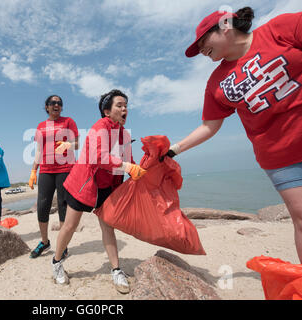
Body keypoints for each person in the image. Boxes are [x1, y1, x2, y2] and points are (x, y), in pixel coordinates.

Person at [164, 8, 302, 262]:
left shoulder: (279, 29)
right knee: (300, 217)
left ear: (225, 25)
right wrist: (173, 149)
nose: (201, 50)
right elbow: (209, 126)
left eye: (203, 41)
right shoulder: (216, 83)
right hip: (280, 158)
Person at [51, 89, 147, 294]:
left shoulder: (125, 134)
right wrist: (128, 167)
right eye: (119, 105)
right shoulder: (99, 128)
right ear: (106, 111)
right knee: (69, 226)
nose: (124, 109)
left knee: (108, 227)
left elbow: (128, 161)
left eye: (126, 106)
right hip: (84, 184)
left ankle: (116, 269)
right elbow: (99, 157)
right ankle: (57, 262)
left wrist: (140, 171)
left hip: (107, 187)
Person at [28, 95, 79, 259]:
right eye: (53, 103)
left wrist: (68, 144)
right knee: (43, 205)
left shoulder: (68, 122)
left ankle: (62, 245)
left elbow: (78, 142)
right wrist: (33, 171)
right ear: (47, 106)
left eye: (59, 103)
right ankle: (44, 241)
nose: (56, 105)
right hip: (46, 170)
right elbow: (38, 150)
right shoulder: (41, 126)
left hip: (65, 168)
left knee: (63, 205)